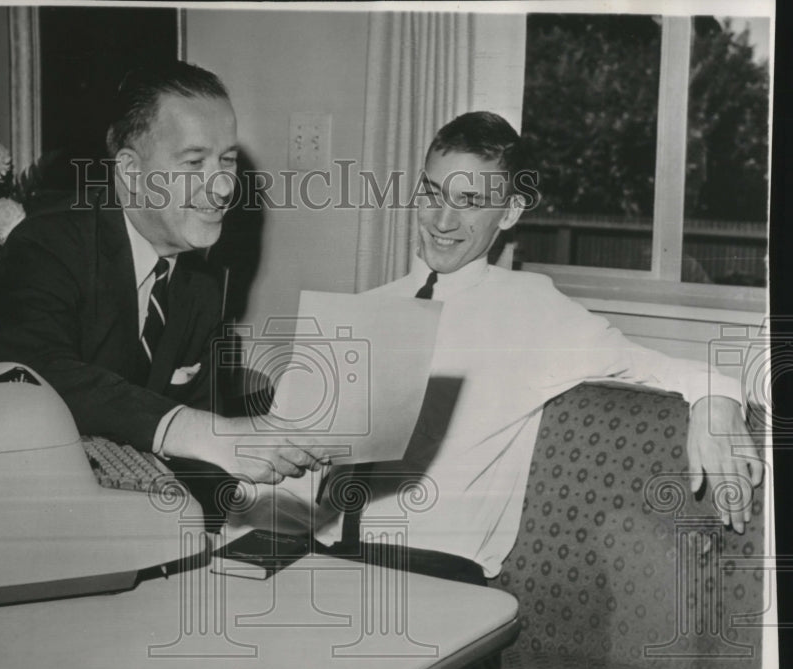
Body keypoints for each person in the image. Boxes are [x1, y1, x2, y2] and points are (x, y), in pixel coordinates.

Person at [306, 111, 763, 581]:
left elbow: (667, 370)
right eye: (432, 193)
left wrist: (716, 403)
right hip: (321, 555)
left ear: (509, 212)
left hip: (432, 575)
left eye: (469, 202)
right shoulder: (368, 307)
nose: (442, 220)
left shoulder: (535, 312)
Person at [0, 61, 327, 493]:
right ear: (131, 173)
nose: (224, 187)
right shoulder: (48, 243)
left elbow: (202, 453)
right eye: (194, 162)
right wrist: (200, 431)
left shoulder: (203, 285)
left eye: (226, 160)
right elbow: (39, 377)